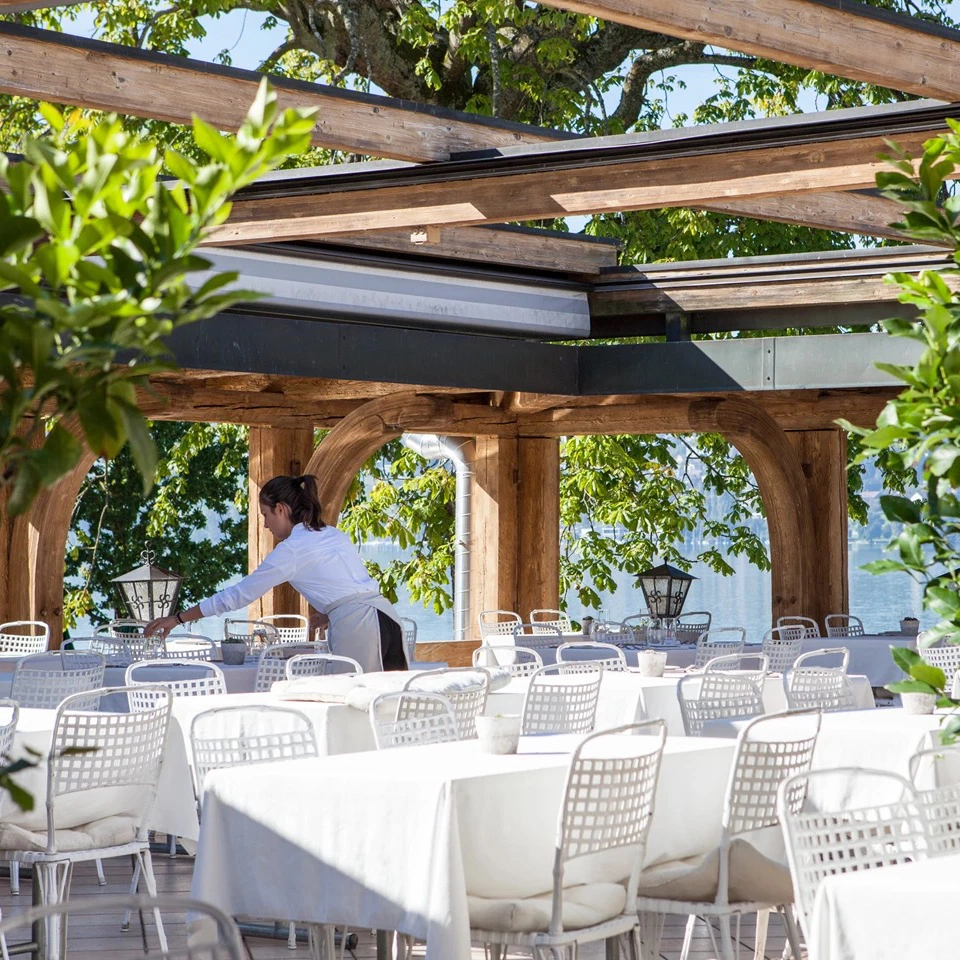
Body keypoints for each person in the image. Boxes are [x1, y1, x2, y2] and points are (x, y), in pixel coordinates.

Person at [144, 474, 407, 672]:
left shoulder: (292, 549)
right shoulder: (331, 534)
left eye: (266, 515)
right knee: (390, 705)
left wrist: (177, 619)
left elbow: (238, 595)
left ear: (281, 509)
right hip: (387, 618)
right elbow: (351, 586)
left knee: (358, 708)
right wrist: (328, 612)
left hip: (359, 626)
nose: (266, 524)